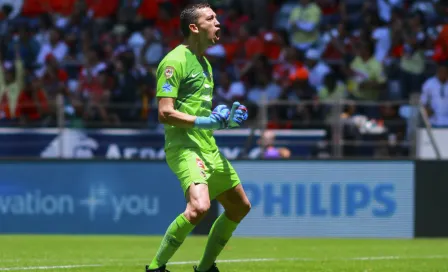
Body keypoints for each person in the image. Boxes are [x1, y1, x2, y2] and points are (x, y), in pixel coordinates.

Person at [146, 3, 251, 272]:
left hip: (207, 146)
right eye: (211, 18)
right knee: (199, 207)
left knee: (240, 207)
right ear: (194, 27)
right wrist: (206, 120)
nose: (218, 23)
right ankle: (156, 267)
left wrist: (223, 119)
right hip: (183, 146)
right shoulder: (174, 61)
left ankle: (204, 269)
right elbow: (165, 113)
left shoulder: (205, 63)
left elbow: (200, 112)